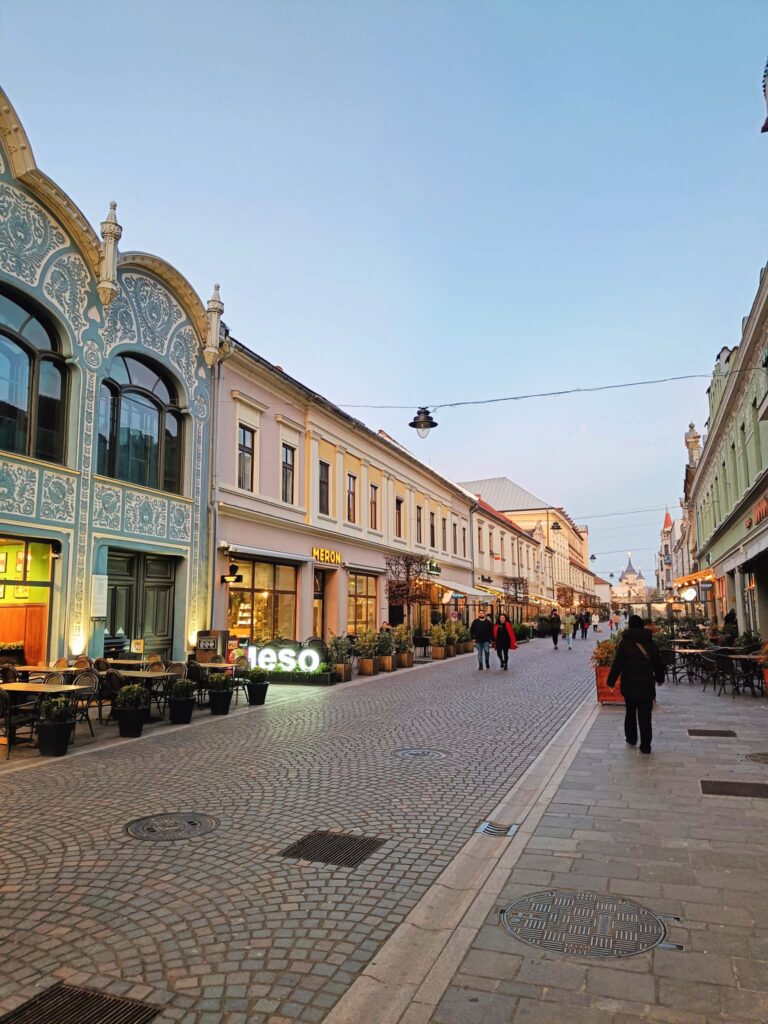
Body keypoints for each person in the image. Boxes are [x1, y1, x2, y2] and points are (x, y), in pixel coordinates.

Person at [606, 614, 665, 754]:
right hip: (646, 685)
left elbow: (617, 664)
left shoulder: (624, 643)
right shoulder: (649, 641)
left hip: (629, 684)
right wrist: (660, 678)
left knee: (630, 712)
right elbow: (658, 662)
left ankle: (631, 738)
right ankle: (646, 746)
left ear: (630, 625)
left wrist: (611, 681)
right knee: (645, 716)